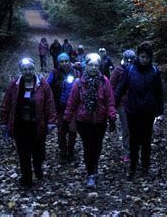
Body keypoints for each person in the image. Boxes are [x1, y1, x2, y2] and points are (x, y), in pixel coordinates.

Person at [0, 58, 57, 188]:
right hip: (20, 125)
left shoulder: (42, 85)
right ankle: (27, 178)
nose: (28, 72)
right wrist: (4, 122)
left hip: (38, 125)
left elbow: (50, 104)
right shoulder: (14, 85)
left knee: (38, 152)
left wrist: (51, 122)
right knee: (23, 153)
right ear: (21, 71)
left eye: (30, 69)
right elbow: (6, 104)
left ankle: (38, 167)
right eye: (25, 69)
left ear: (34, 69)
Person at [64, 53, 117, 188]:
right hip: (83, 120)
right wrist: (66, 120)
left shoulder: (104, 82)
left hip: (100, 120)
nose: (93, 68)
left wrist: (112, 118)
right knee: (88, 147)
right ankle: (90, 173)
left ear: (99, 66)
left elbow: (109, 101)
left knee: (97, 146)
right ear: (85, 66)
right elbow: (72, 103)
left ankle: (95, 164)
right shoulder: (79, 83)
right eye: (90, 65)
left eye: (96, 65)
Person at [115, 42, 164, 181]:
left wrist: (160, 111)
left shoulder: (154, 71)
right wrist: (113, 104)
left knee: (146, 140)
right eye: (142, 56)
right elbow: (121, 88)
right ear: (138, 56)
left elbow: (159, 91)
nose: (144, 60)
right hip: (133, 110)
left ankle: (145, 167)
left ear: (150, 58)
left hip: (148, 111)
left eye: (147, 57)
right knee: (134, 140)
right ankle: (133, 167)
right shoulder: (130, 70)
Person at [47, 53, 81, 163]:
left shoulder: (76, 72)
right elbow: (46, 86)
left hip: (73, 107)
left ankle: (71, 151)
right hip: (60, 108)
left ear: (69, 61)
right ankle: (63, 152)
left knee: (72, 130)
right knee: (61, 131)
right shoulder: (54, 73)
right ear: (58, 63)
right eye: (62, 61)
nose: (64, 63)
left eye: (66, 61)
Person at [110, 49, 136, 162]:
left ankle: (135, 150)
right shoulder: (118, 70)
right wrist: (113, 104)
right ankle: (128, 153)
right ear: (123, 59)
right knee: (126, 129)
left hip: (137, 104)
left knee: (135, 128)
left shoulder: (138, 69)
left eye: (131, 60)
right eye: (127, 60)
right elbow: (112, 87)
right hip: (123, 104)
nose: (129, 62)